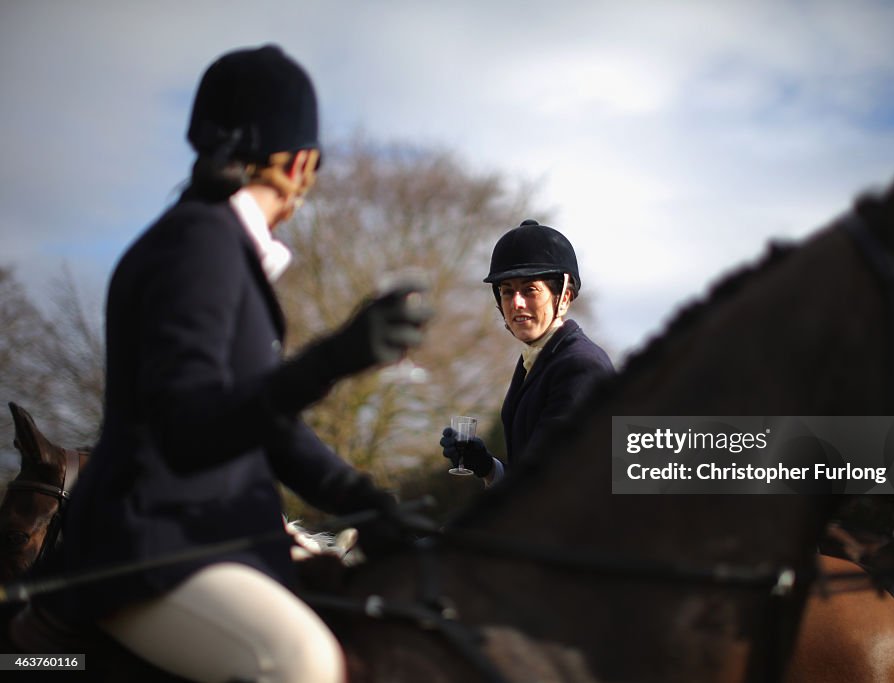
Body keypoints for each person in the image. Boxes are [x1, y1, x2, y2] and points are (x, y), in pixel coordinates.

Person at [17, 45, 430, 683]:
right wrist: (333, 358)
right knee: (302, 665)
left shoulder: (219, 247)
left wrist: (364, 501)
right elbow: (189, 426)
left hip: (208, 533)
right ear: (300, 164)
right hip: (152, 544)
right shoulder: (200, 246)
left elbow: (262, 424)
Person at [440, 219, 614, 485]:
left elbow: (549, 486)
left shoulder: (580, 365)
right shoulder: (535, 360)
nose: (517, 303)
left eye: (530, 290)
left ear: (564, 298)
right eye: (507, 292)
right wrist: (487, 466)